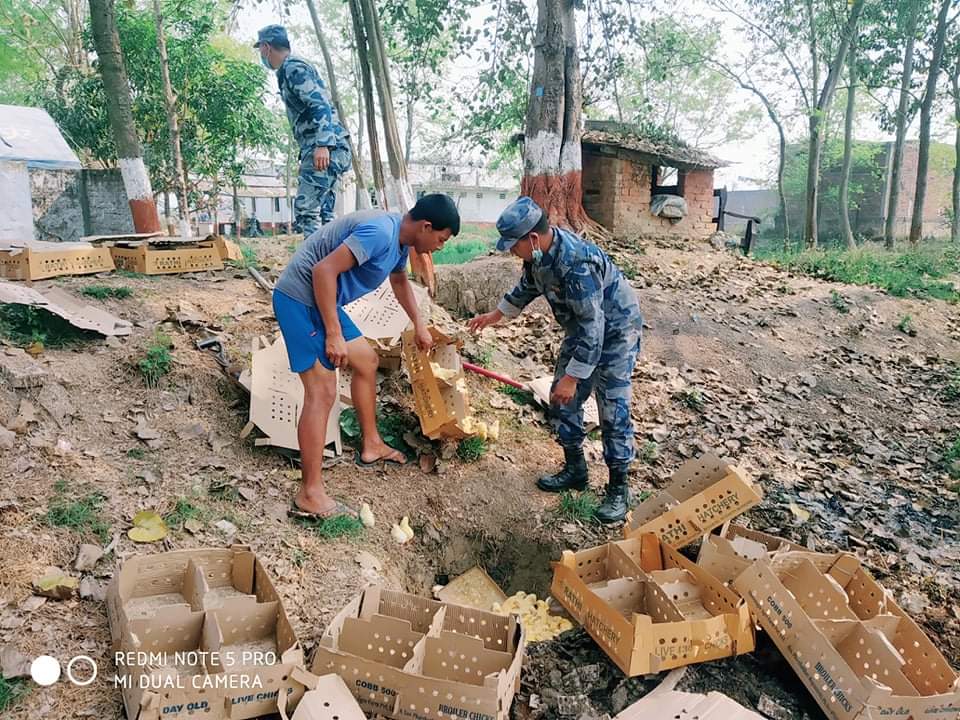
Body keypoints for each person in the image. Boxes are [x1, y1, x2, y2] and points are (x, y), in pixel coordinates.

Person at [273, 194, 461, 518]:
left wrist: (419, 324)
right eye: (441, 239)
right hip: (300, 299)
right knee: (322, 392)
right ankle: (310, 493)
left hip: (324, 301)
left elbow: (399, 280)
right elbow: (323, 271)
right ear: (426, 226)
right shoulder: (380, 232)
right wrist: (334, 334)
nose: (440, 247)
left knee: (367, 361)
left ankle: (371, 444)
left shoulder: (400, 242)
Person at [468, 197, 643, 523]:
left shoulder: (577, 264)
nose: (511, 251)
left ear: (533, 238)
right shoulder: (538, 255)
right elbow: (527, 286)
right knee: (560, 399)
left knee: (612, 409)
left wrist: (573, 378)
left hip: (616, 332)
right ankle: (576, 469)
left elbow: (594, 327)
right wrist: (494, 316)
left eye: (513, 245)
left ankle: (619, 488)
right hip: (584, 329)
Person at [255, 25, 351, 236]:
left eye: (260, 49)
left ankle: (314, 257)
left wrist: (323, 144)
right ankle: (331, 256)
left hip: (326, 146)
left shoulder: (293, 68)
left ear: (266, 47)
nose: (261, 54)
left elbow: (319, 103)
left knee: (307, 210)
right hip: (334, 146)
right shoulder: (292, 68)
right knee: (324, 213)